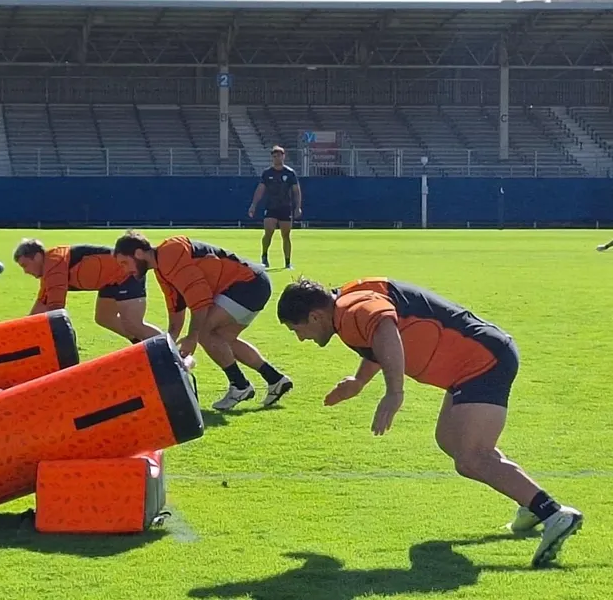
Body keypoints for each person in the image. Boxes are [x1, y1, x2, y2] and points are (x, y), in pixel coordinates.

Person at [275, 276, 583, 568]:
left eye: (296, 329)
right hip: (472, 363)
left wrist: (394, 392)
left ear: (316, 316)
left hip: (482, 362)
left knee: (471, 456)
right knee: (451, 440)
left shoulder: (352, 308)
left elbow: (383, 326)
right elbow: (376, 341)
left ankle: (553, 513)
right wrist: (358, 381)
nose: (301, 338)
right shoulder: (347, 307)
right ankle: (530, 503)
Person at [113, 230, 293, 411]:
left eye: (124, 263)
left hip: (248, 284)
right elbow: (176, 309)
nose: (125, 270)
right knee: (223, 338)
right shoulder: (162, 268)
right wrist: (169, 345)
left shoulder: (170, 254)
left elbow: (201, 300)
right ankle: (275, 379)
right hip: (253, 283)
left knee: (205, 333)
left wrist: (192, 336)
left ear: (138, 253)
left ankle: (240, 386)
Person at [13, 238, 161, 344]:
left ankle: (167, 350)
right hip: (109, 281)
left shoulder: (53, 266)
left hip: (127, 273)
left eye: (25, 265)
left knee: (133, 324)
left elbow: (55, 310)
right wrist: (20, 333)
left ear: (38, 257)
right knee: (104, 318)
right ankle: (139, 343)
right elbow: (41, 304)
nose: (26, 271)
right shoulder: (50, 269)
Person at [247, 145, 302, 269]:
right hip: (271, 207)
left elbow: (296, 191)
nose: (277, 158)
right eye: (274, 156)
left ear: (283, 156)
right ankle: (264, 256)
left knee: (286, 235)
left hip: (285, 207)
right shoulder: (267, 173)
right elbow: (260, 190)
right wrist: (253, 205)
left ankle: (288, 262)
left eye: (279, 155)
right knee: (268, 232)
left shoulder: (290, 173)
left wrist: (298, 206)